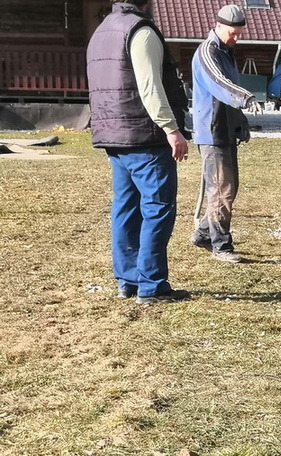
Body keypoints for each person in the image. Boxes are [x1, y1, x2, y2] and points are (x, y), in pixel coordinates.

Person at [86, 0, 191, 305]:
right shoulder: (140, 31)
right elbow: (149, 86)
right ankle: (152, 285)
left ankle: (127, 279)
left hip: (114, 134)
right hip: (145, 136)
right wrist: (171, 128)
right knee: (158, 208)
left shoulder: (101, 31)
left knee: (125, 207)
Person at [190, 4, 255, 263]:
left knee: (229, 188)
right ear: (218, 26)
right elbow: (219, 84)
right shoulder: (207, 51)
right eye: (233, 33)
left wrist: (240, 123)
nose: (236, 38)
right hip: (212, 131)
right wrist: (244, 97)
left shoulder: (226, 52)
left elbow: (229, 90)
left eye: (239, 33)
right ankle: (221, 246)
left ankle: (203, 233)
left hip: (225, 129)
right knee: (221, 190)